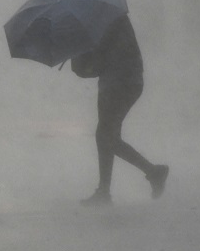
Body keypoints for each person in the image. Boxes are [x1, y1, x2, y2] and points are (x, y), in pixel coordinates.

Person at [72, 14, 168, 206]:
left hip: (118, 83)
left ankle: (151, 172)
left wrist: (78, 53)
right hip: (123, 82)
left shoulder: (103, 23)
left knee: (106, 136)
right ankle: (107, 190)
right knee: (107, 135)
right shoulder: (112, 19)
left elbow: (95, 62)